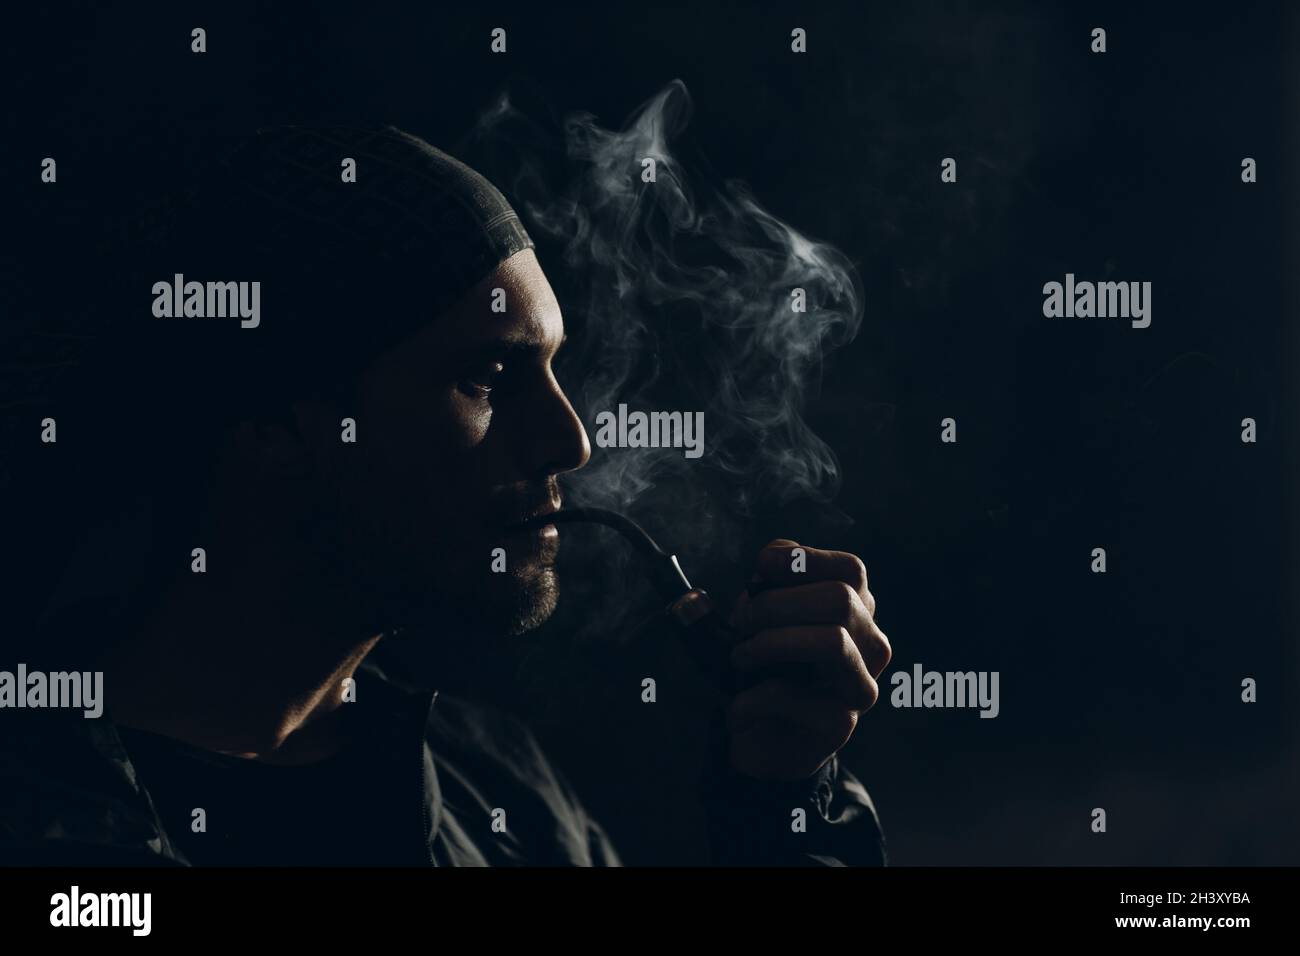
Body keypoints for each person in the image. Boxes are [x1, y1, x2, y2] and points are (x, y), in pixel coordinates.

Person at [0, 126, 892, 866]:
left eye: (552, 368)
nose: (572, 441)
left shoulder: (505, 794)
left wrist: (783, 803)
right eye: (489, 376)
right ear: (272, 419)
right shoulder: (42, 812)